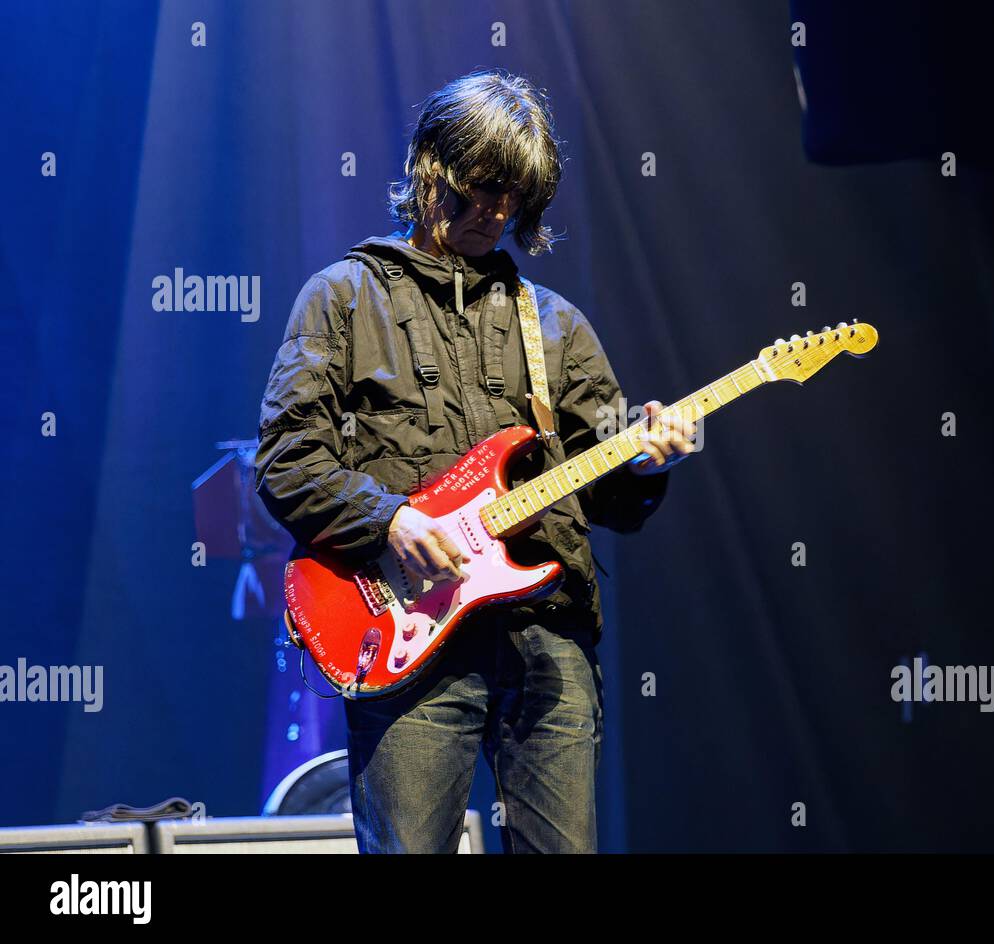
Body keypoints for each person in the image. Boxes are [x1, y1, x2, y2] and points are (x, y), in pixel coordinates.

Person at [255, 70, 696, 852]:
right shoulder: (344, 298)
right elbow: (289, 461)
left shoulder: (553, 324)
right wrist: (389, 520)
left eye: (515, 197)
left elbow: (612, 500)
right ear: (433, 169)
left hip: (545, 635)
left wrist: (646, 460)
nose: (498, 213)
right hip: (409, 638)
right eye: (484, 188)